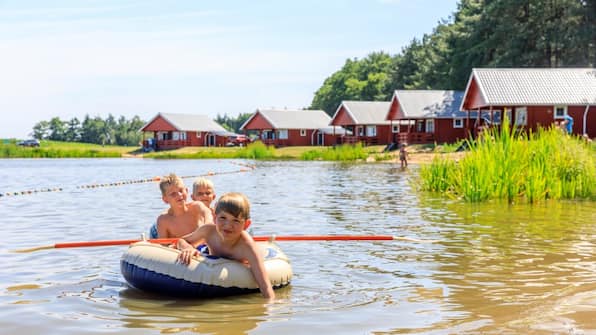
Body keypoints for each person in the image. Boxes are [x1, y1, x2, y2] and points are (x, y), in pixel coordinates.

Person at [176, 192, 274, 300]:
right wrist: (188, 248)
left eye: (236, 220)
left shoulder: (247, 247)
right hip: (208, 257)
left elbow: (265, 287)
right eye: (223, 218)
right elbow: (181, 240)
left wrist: (269, 310)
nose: (228, 225)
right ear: (214, 217)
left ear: (246, 224)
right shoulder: (208, 231)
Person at [154, 173, 214, 239]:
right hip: (178, 248)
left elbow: (207, 212)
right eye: (173, 194)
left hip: (200, 245)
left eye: (181, 190)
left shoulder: (196, 207)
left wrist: (207, 224)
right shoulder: (163, 220)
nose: (179, 195)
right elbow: (163, 244)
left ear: (186, 191)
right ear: (165, 199)